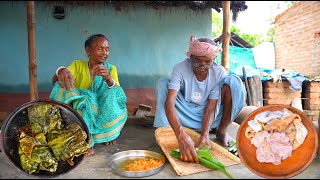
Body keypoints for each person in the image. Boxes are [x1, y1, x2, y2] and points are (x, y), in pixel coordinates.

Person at [153, 34, 246, 163]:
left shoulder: (219, 72)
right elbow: (170, 102)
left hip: (208, 114)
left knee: (235, 83)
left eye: (207, 62)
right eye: (198, 61)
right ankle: (167, 131)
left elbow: (211, 107)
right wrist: (180, 135)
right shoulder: (180, 68)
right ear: (191, 58)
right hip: (184, 111)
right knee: (162, 83)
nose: (203, 65)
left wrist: (205, 135)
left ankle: (221, 131)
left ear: (214, 59)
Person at [50, 33, 128, 156]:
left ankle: (107, 134)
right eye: (99, 48)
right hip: (80, 109)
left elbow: (119, 95)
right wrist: (61, 70)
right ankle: (83, 141)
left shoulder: (111, 68)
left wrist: (108, 78)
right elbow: (57, 82)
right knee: (73, 94)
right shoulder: (77, 65)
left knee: (112, 94)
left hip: (101, 109)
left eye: (107, 49)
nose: (104, 53)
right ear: (88, 50)